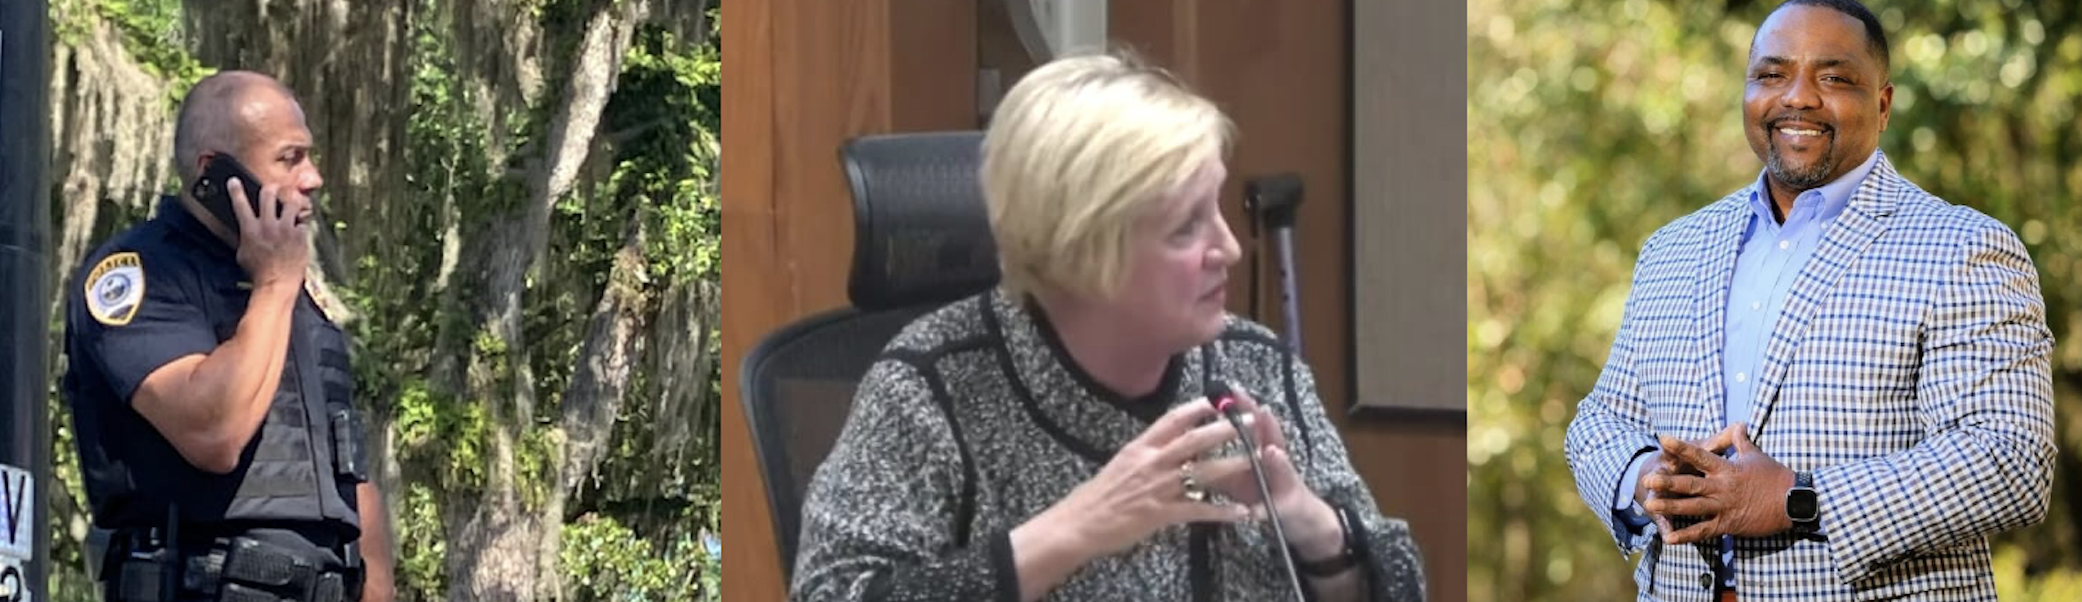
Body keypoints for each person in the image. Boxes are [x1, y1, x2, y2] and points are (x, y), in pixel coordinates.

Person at [787, 51, 1425, 602]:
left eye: (1218, 208)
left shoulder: (1252, 365)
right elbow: (832, 591)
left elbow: (1401, 580)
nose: (1230, 247)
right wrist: (1077, 527)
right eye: (1186, 227)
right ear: (1081, 249)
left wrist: (1310, 523)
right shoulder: (933, 387)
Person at [1563, 1, 2056, 600]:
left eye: (1834, 78)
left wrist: (1798, 499)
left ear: (1883, 105)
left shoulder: (1963, 248)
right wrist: (1645, 478)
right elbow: (1601, 420)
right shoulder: (1674, 248)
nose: (1797, 97)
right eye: (1771, 74)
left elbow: (2010, 461)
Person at [63, 71, 396, 602]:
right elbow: (213, 434)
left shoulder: (300, 296)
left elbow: (349, 474)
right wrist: (274, 285)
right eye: (289, 159)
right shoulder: (140, 274)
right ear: (214, 173)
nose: (312, 178)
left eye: (309, 157)